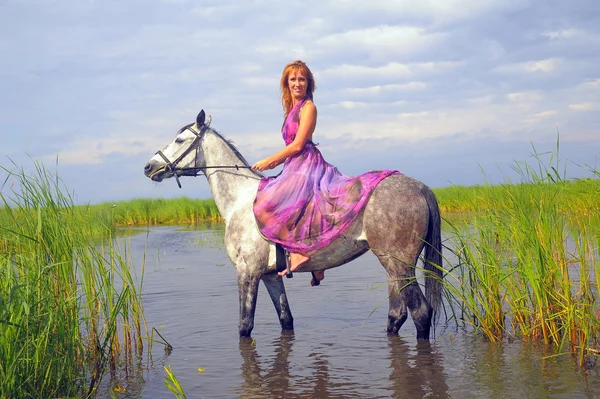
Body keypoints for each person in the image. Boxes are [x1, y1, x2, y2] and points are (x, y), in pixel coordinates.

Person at [252, 60, 398, 286]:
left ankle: (299, 253)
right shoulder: (291, 109)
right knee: (291, 204)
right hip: (294, 165)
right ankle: (318, 266)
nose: (297, 83)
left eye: (302, 79)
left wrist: (271, 160)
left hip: (306, 164)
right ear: (286, 83)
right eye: (293, 79)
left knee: (264, 205)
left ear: (308, 83)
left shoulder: (308, 107)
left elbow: (299, 144)